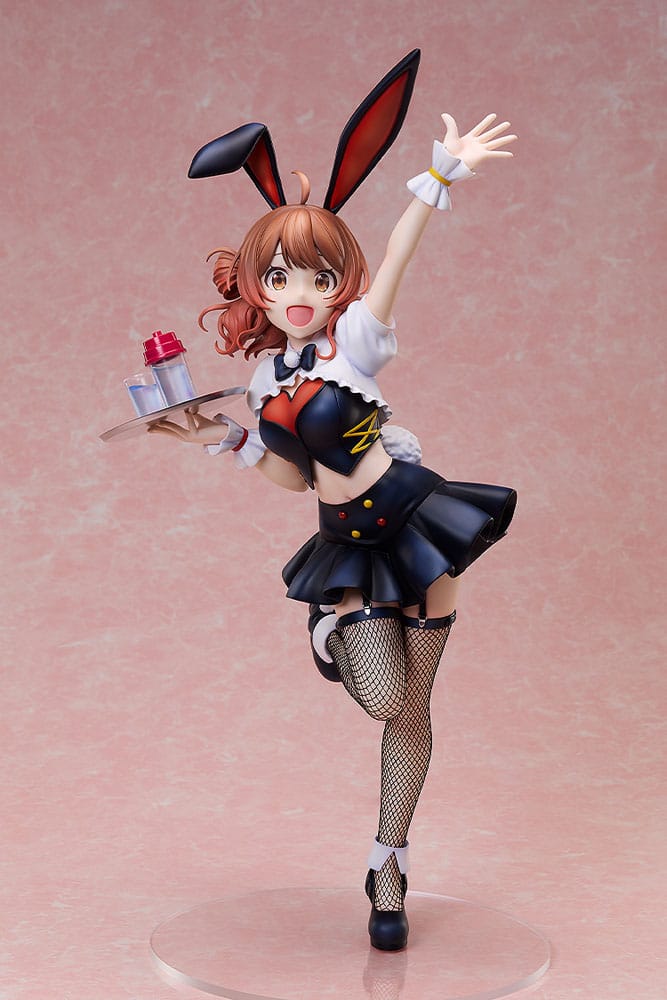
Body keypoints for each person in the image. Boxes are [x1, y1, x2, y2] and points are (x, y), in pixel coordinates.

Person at [150, 52, 517, 951]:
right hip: (347, 543)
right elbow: (294, 479)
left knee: (414, 711)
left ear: (337, 282)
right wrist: (220, 438)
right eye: (280, 278)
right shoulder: (265, 379)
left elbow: (396, 256)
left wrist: (437, 175)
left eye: (317, 277)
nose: (299, 295)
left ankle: (387, 867)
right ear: (256, 285)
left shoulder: (356, 342)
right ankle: (328, 631)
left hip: (420, 521)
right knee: (384, 697)